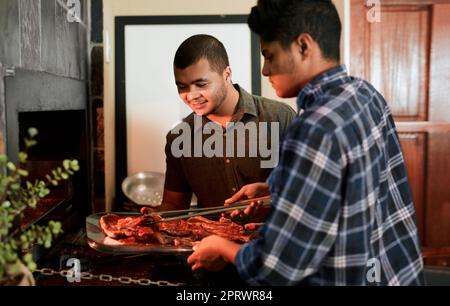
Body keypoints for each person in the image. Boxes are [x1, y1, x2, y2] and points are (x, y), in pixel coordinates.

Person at [187, 0, 425, 285]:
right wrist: (279, 191)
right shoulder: (365, 94)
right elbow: (355, 193)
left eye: (270, 55)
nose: (265, 70)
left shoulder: (313, 125)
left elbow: (278, 267)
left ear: (303, 46)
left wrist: (222, 248)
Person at [159, 34, 296, 213]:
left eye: (201, 84)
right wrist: (152, 218)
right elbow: (175, 206)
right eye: (182, 87)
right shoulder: (179, 137)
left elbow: (309, 191)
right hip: (210, 239)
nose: (191, 95)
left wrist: (271, 195)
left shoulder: (280, 117)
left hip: (271, 239)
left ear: (227, 75)